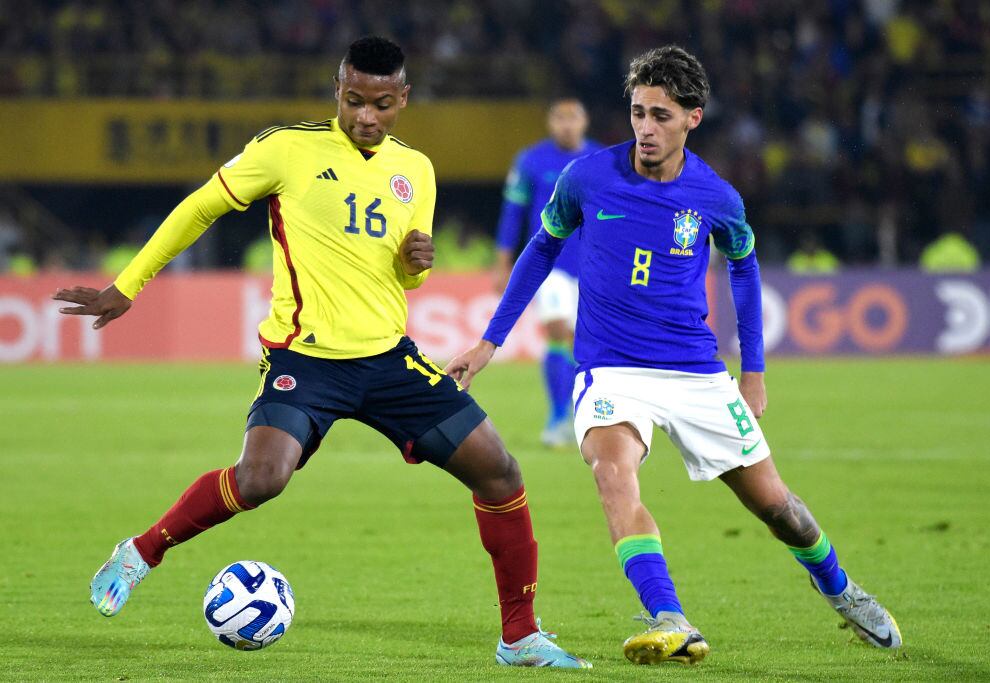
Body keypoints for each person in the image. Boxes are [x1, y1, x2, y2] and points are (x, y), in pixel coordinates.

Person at [53, 36, 589, 669]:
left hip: (390, 360)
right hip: (304, 360)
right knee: (261, 478)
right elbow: (199, 208)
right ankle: (141, 552)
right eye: (354, 100)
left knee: (499, 470)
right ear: (338, 89)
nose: (366, 116)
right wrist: (127, 286)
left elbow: (406, 275)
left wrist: (415, 263)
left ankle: (519, 637)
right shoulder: (287, 149)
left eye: (382, 104)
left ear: (402, 99)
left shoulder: (416, 169)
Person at [446, 45, 902, 665]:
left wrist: (754, 372)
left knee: (778, 508)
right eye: (637, 112)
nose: (644, 128)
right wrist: (489, 341)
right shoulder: (586, 177)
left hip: (696, 371)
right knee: (612, 474)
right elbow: (540, 250)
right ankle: (669, 615)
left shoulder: (716, 196)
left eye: (660, 115)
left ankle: (842, 589)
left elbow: (743, 268)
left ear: (694, 117)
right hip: (610, 369)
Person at [494, 98, 602, 447]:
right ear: (550, 122)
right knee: (558, 330)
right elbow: (513, 212)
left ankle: (581, 414)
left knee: (581, 341)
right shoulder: (531, 160)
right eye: (560, 118)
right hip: (551, 263)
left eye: (573, 118)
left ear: (585, 122)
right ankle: (558, 417)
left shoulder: (603, 160)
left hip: (593, 264)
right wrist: (503, 263)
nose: (567, 125)